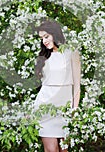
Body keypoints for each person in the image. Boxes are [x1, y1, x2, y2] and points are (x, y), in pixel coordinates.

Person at [34, 20, 81, 152]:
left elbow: (77, 85)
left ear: (55, 34)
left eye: (46, 36)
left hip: (65, 109)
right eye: (42, 38)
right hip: (45, 108)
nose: (44, 41)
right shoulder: (43, 56)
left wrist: (74, 110)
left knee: (64, 150)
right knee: (51, 150)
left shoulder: (71, 52)